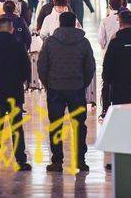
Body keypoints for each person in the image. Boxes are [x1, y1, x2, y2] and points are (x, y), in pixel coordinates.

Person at [37, 12, 95, 173]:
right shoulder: (84, 42)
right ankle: (80, 161)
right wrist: (83, 83)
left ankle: (56, 162)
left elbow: (41, 65)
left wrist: (47, 84)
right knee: (79, 125)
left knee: (56, 125)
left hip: (55, 89)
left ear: (60, 24)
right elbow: (90, 66)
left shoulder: (50, 42)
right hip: (76, 88)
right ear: (75, 23)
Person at [0, 16, 32, 172]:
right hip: (14, 90)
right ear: (11, 29)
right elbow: (26, 68)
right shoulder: (19, 45)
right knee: (16, 126)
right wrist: (22, 81)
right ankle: (20, 160)